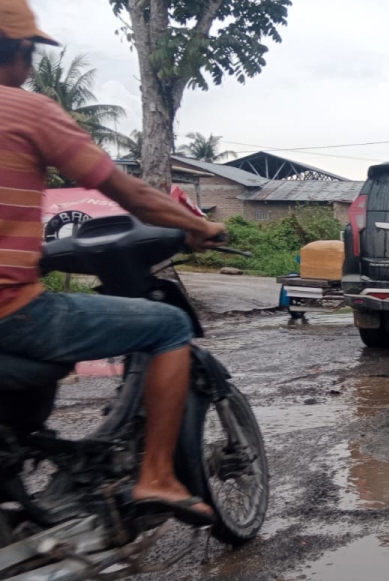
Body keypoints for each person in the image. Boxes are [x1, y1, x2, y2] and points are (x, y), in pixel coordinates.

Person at [0, 0, 228, 526]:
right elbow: (128, 192)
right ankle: (156, 476)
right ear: (16, 50)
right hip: (10, 312)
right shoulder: (29, 110)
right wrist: (199, 226)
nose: (32, 66)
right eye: (30, 52)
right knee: (169, 326)